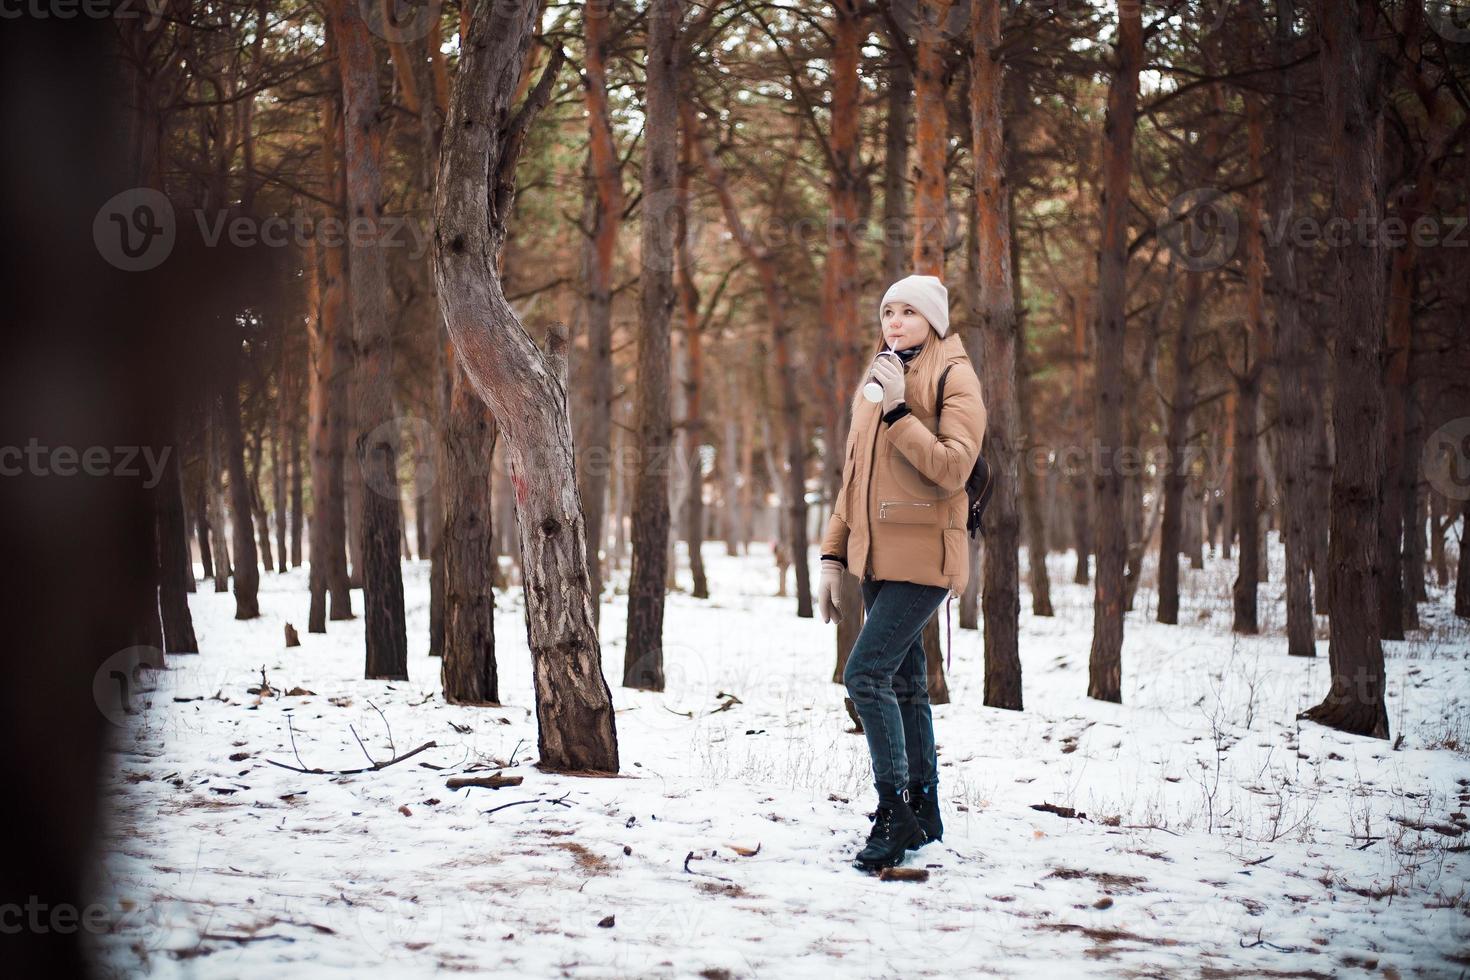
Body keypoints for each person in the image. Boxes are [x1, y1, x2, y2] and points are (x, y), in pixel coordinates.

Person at [817, 273, 987, 873]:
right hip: (877, 558)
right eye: (887, 310)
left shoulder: (952, 375)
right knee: (907, 685)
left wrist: (897, 412)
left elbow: (953, 467)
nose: (894, 321)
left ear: (934, 320)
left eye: (908, 311)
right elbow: (853, 476)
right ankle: (925, 809)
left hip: (925, 557)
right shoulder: (881, 370)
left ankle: (893, 814)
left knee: (864, 675)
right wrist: (834, 556)